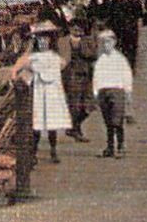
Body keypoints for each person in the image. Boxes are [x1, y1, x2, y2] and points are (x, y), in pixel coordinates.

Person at [23, 28, 70, 162]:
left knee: (51, 123)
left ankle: (53, 151)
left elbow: (61, 66)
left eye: (46, 40)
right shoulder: (33, 58)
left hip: (51, 93)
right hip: (38, 93)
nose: (43, 42)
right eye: (40, 40)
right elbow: (27, 74)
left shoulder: (55, 58)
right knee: (36, 124)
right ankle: (34, 153)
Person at [90, 29, 134, 158]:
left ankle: (120, 146)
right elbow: (96, 77)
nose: (106, 45)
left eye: (109, 42)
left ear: (114, 42)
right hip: (104, 92)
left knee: (117, 121)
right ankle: (110, 147)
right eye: (104, 43)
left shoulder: (120, 59)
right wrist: (95, 93)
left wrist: (128, 92)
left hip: (117, 91)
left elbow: (127, 76)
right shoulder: (101, 60)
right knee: (108, 121)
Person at [63, 18, 98, 142]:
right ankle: (76, 130)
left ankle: (73, 127)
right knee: (75, 105)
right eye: (74, 28)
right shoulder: (63, 41)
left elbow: (93, 54)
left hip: (86, 75)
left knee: (90, 105)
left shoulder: (87, 41)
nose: (77, 31)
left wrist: (82, 46)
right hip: (71, 76)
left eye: (79, 29)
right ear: (70, 29)